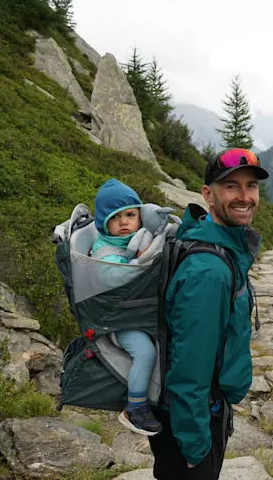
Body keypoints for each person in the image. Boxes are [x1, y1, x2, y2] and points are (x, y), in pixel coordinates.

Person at [149, 148, 269, 480]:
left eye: (251, 186)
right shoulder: (209, 272)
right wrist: (195, 446)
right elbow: (190, 368)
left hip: (195, 412)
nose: (245, 196)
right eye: (231, 186)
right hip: (192, 421)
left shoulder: (212, 241)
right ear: (208, 194)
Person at [91, 178, 165, 436]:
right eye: (116, 217)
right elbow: (115, 277)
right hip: (118, 320)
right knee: (145, 353)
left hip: (135, 312)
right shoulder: (106, 250)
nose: (124, 222)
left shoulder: (134, 239)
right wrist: (142, 261)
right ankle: (135, 408)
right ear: (104, 223)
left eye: (130, 215)